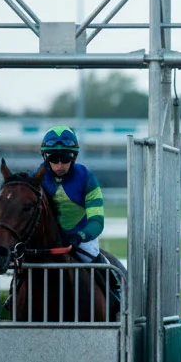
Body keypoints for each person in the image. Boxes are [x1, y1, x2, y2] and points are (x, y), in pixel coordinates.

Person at [31, 125, 121, 310]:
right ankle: (13, 295)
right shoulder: (37, 178)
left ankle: (115, 297)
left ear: (74, 157)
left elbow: (97, 221)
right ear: (45, 158)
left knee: (96, 260)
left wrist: (79, 237)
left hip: (80, 239)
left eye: (66, 158)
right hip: (47, 241)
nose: (60, 164)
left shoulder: (87, 177)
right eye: (54, 158)